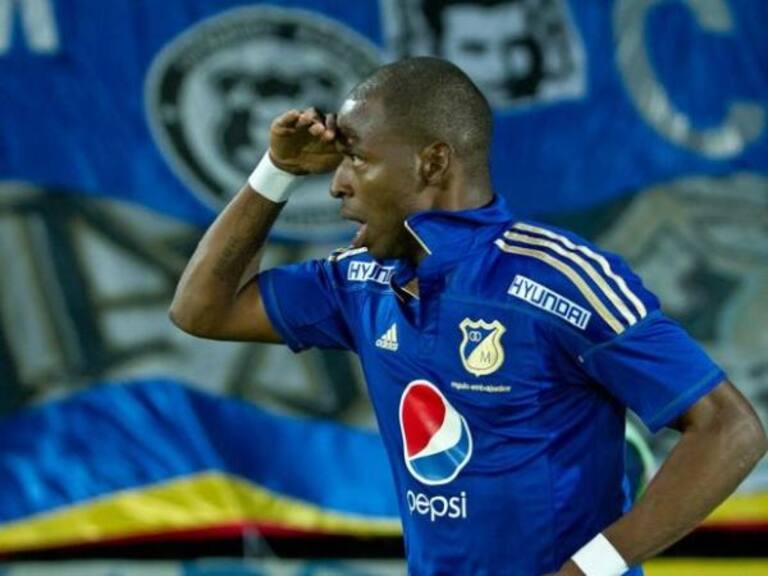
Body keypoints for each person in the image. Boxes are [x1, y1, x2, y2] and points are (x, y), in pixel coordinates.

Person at [169, 57, 767, 575]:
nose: (337, 184)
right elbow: (201, 309)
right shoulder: (359, 283)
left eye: (358, 159)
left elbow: (730, 429)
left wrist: (587, 570)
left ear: (433, 163)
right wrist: (275, 173)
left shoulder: (558, 277)